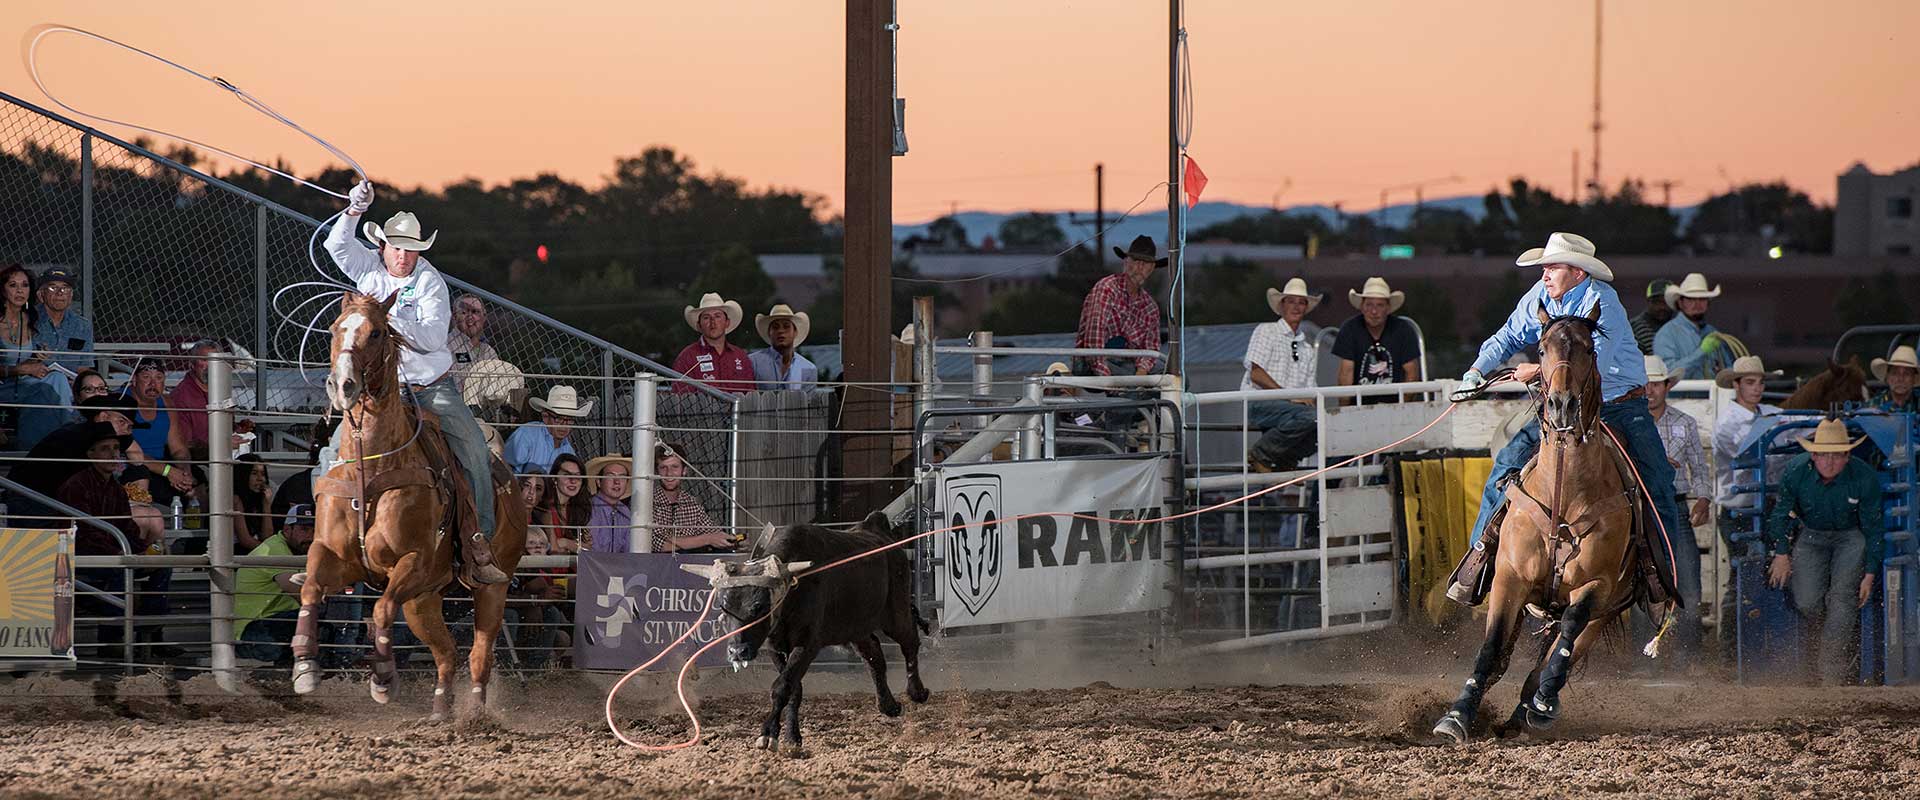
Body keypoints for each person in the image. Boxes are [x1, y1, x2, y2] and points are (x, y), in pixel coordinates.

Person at [1446, 232, 1682, 606]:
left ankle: (1662, 577)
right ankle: (1480, 558)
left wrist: (1535, 372)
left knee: (1656, 480)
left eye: (1552, 267)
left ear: (1577, 272)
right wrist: (1476, 370)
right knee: (1508, 460)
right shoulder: (1539, 298)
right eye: (1544, 268)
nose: (1544, 275)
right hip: (1559, 404)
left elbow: (1593, 367)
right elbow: (1506, 336)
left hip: (1620, 404)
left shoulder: (1604, 303)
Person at [325, 180, 507, 584]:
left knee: (475, 452)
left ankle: (481, 543)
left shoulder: (429, 283)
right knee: (331, 454)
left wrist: (383, 322)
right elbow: (336, 247)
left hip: (429, 388)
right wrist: (353, 210)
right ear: (383, 247)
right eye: (398, 247)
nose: (404, 256)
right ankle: (330, 540)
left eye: (411, 249)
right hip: (378, 393)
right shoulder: (369, 267)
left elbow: (429, 338)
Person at [1764, 417, 1884, 685]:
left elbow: (1873, 527)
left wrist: (1870, 572)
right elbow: (1780, 514)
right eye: (1824, 455)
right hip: (1812, 533)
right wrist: (1781, 553)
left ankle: (1832, 674)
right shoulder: (1796, 472)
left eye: (1837, 455)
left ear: (1847, 456)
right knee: (1807, 600)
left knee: (1842, 599)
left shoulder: (1863, 477)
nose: (1830, 462)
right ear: (1813, 455)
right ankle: (1829, 635)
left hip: (1851, 536)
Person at [58, 425, 169, 658]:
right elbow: (85, 532)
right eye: (105, 449)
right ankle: (111, 637)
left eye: (116, 448)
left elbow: (127, 527)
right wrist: (125, 552)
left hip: (111, 552)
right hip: (83, 556)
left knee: (162, 565)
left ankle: (151, 630)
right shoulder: (76, 485)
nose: (113, 454)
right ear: (90, 454)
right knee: (120, 570)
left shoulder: (116, 489)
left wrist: (142, 549)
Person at [1710, 354, 1784, 653]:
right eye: (1750, 382)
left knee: (1757, 573)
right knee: (1744, 575)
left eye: (1760, 382)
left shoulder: (1769, 413)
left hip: (1761, 507)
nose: (1757, 388)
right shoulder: (1727, 424)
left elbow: (1793, 429)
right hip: (1738, 510)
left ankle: (1750, 648)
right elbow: (1757, 453)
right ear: (1736, 385)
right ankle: (1731, 648)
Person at [1643, 355, 1709, 663]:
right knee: (1641, 591)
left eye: (1656, 384)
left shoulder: (1685, 424)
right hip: (1642, 511)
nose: (1650, 390)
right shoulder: (1630, 426)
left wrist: (1704, 498)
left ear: (1666, 386)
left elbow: (1699, 467)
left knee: (1690, 591)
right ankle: (1643, 664)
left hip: (1676, 507)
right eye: (1645, 384)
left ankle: (1687, 659)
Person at [1241, 278, 1322, 471]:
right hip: (1261, 402)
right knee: (1311, 417)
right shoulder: (1266, 331)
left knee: (1326, 422)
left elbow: (1311, 391)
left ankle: (1282, 458)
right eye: (1291, 301)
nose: (1296, 306)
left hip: (1290, 410)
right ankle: (1263, 454)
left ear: (1305, 308)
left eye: (1301, 302)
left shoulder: (1307, 347)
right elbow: (1256, 374)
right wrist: (1290, 397)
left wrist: (1303, 400)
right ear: (1282, 305)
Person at [0, 264, 74, 450]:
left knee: (55, 378)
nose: (20, 291)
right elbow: (15, 365)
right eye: (13, 285)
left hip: (22, 383)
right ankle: (54, 441)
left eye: (24, 285)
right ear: (2, 289)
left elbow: (23, 361)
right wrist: (19, 369)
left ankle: (64, 435)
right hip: (5, 385)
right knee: (44, 393)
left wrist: (35, 358)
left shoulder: (29, 318)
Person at [234, 504, 316, 664]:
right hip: (251, 632)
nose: (311, 536)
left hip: (274, 623)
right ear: (287, 530)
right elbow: (298, 592)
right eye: (304, 529)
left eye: (315, 530)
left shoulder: (299, 550)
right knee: (322, 617)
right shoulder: (274, 549)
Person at [1073, 235, 1164, 377]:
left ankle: (1137, 389)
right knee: (1127, 380)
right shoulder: (1106, 289)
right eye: (1136, 261)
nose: (1140, 267)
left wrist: (1141, 373)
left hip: (1128, 364)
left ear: (1152, 268)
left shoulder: (1150, 307)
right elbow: (1093, 339)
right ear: (1126, 263)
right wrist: (1108, 379)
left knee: (1173, 374)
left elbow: (1151, 348)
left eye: (1146, 263)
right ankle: (1131, 390)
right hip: (1092, 361)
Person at [1332, 277, 1422, 402]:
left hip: (1395, 405)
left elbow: (1412, 375)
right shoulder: (1350, 329)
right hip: (1358, 407)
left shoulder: (1403, 330)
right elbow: (1345, 375)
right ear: (1362, 307)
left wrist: (1402, 409)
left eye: (1380, 305)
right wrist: (1344, 414)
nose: (1374, 311)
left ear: (1388, 308)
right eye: (1369, 305)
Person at [121, 361, 195, 498]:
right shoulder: (122, 402)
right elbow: (129, 453)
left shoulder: (166, 404)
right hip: (133, 467)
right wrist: (169, 471)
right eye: (146, 377)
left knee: (198, 481)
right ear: (134, 380)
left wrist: (185, 472)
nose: (153, 384)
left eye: (159, 378)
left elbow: (178, 448)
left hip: (163, 467)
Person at [649, 443, 734, 553]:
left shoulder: (691, 502)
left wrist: (732, 541)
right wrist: (706, 540)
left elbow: (714, 534)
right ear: (656, 472)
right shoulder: (649, 502)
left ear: (684, 471)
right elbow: (660, 546)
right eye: (663, 468)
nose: (669, 473)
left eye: (675, 467)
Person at [505, 527, 569, 668]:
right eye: (532, 543)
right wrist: (534, 601)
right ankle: (506, 669)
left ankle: (535, 669)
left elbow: (542, 590)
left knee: (552, 613)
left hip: (521, 617)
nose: (538, 547)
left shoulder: (529, 565)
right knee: (510, 615)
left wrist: (536, 604)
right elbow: (496, 599)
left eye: (542, 544)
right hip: (491, 615)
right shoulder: (506, 558)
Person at [671, 293, 755, 395]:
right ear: (699, 325)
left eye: (717, 316)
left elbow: (751, 394)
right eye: (706, 317)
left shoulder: (741, 356)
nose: (713, 322)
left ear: (727, 322)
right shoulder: (687, 357)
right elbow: (681, 398)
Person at [1653, 273, 1726, 381]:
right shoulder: (1666, 334)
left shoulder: (1713, 333)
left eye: (1702, 299)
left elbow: (1726, 368)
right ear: (1680, 302)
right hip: (1679, 398)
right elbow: (1668, 374)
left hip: (1713, 396)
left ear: (1707, 303)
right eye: (1691, 299)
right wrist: (1702, 352)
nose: (1697, 304)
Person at [503, 386, 590, 475]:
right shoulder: (527, 434)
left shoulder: (568, 451)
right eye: (558, 418)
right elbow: (505, 468)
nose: (564, 425)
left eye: (569, 419)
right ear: (545, 417)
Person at [33, 267, 93, 374]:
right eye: (53, 288)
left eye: (65, 288)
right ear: (41, 294)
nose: (60, 293)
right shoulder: (27, 320)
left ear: (71, 295)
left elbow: (83, 368)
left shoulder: (82, 325)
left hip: (70, 386)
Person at [750, 304, 819, 391]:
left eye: (786, 326)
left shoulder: (808, 368)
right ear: (769, 333)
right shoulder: (753, 363)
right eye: (775, 327)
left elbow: (809, 403)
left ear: (795, 332)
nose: (781, 331)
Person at [168, 339, 217, 456]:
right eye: (204, 360)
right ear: (192, 364)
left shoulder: (220, 391)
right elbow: (185, 446)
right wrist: (222, 444)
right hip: (196, 461)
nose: (210, 366)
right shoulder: (181, 397)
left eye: (215, 360)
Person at [536, 453, 590, 554]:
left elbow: (588, 548)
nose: (573, 481)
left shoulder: (579, 508)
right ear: (554, 479)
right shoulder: (546, 508)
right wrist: (573, 545)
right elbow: (554, 548)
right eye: (567, 475)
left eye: (577, 476)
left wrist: (565, 542)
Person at [584, 454, 637, 553]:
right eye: (610, 476)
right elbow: (591, 550)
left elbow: (629, 550)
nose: (617, 482)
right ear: (598, 482)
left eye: (622, 477)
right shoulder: (589, 509)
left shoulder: (625, 512)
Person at [448, 293, 501, 385]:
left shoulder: (489, 351)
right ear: (454, 317)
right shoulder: (445, 345)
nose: (470, 317)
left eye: (475, 312)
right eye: (464, 312)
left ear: (484, 317)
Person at [233, 453, 272, 552]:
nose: (260, 479)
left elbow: (267, 536)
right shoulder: (235, 499)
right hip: (236, 553)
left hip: (255, 551)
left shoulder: (258, 499)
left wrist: (266, 504)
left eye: (263, 474)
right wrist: (272, 551)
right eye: (254, 473)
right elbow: (245, 540)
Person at [1629, 279, 1675, 356]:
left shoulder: (1681, 327)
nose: (1661, 307)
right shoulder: (1633, 328)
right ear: (1648, 302)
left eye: (1666, 302)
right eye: (1656, 302)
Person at [1869, 345, 1918, 413]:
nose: (1900, 379)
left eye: (1907, 374)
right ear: (1887, 377)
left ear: (1914, 379)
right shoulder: (1873, 406)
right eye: (1895, 373)